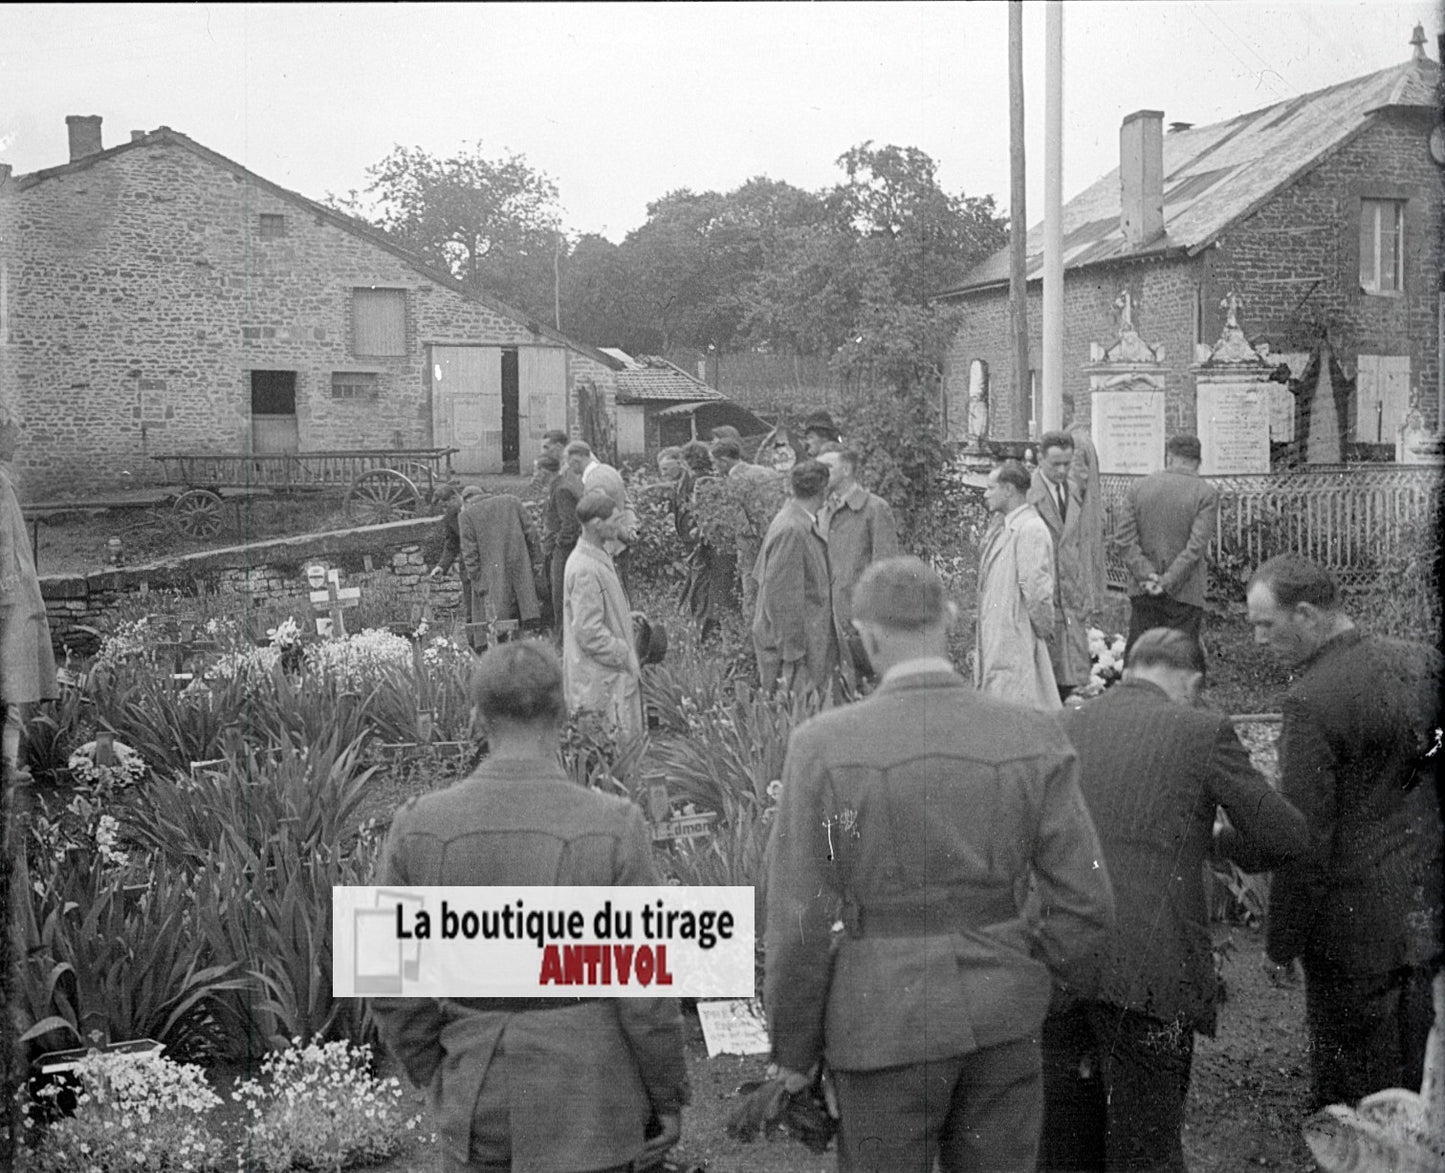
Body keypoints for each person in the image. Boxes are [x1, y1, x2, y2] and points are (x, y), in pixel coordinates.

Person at [765, 556, 1115, 1173]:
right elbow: (1087, 903)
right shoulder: (1032, 733)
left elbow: (800, 923)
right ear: (950, 621)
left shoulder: (822, 746)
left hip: (881, 1018)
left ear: (865, 635)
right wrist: (1031, 982)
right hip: (1002, 1009)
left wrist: (793, 1053)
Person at [369, 641, 688, 1173]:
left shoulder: (415, 826)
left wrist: (441, 1066)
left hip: (478, 1091)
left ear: (476, 719)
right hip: (591, 1102)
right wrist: (667, 1095)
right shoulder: (615, 825)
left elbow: (385, 978)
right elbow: (646, 995)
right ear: (563, 713)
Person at [1039, 628, 1308, 1172]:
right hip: (1152, 977)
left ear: (1131, 667)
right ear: (1191, 681)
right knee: (1146, 1151)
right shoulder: (1201, 730)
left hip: (1059, 966)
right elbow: (1286, 836)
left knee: (1065, 1149)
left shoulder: (1063, 725)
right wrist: (1214, 843)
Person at [1246, 555, 1442, 1110]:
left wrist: (1281, 944)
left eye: (1266, 624)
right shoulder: (1422, 663)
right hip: (1423, 912)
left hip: (1350, 931)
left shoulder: (1311, 699)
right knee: (1418, 1082)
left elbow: (1304, 840)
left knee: (1353, 1099)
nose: (1259, 640)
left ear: (1305, 614)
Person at [1113, 434, 1219, 656]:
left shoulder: (1138, 487)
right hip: (1185, 590)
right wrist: (1167, 580)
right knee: (1180, 660)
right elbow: (1196, 547)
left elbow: (1124, 540)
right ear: (1198, 461)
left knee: (1141, 656)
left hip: (1144, 589)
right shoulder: (1205, 493)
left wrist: (1149, 576)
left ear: (1169, 457)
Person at [1, 405, 58, 781]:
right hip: (10, 592)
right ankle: (8, 765)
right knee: (13, 682)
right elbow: (4, 544)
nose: (19, 442)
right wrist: (6, 596)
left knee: (13, 683)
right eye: (13, 435)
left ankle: (10, 763)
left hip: (17, 588)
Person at [975, 460, 1060, 711]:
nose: (986, 493)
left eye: (991, 488)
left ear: (1009, 490)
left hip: (1017, 634)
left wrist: (1043, 628)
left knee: (1019, 710)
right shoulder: (1005, 526)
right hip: (1003, 635)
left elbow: (1033, 587)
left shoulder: (1030, 529)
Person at [816, 445, 899, 696]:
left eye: (828, 468)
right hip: (826, 622)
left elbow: (885, 570)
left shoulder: (874, 509)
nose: (821, 474)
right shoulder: (822, 509)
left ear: (847, 469)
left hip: (859, 624)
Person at [563, 489, 643, 744]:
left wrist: (623, 617)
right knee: (608, 754)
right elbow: (589, 632)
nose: (620, 525)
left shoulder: (597, 555)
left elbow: (597, 608)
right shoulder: (586, 568)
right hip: (599, 677)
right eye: (616, 520)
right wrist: (622, 652)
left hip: (604, 675)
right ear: (597, 525)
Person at [751, 459, 834, 698]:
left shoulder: (794, 519)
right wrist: (793, 658)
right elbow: (781, 599)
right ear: (824, 490)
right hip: (793, 656)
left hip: (798, 648)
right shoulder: (793, 529)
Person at [1027, 431, 1095, 702]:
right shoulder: (1029, 494)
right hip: (1044, 588)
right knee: (1046, 672)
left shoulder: (1073, 489)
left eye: (1067, 463)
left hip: (1070, 589)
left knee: (1072, 670)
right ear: (1040, 458)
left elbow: (1080, 543)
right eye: (1055, 464)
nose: (1062, 470)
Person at [458, 484, 544, 646]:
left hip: (492, 584)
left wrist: (477, 583)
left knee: (496, 630)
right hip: (521, 576)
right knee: (528, 625)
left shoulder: (466, 516)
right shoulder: (512, 501)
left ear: (466, 501)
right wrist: (535, 563)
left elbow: (469, 555)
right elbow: (532, 534)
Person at [712, 437, 779, 619]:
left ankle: (752, 636)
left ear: (724, 461)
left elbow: (735, 519)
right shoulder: (766, 472)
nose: (715, 468)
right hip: (774, 535)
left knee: (751, 590)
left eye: (715, 463)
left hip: (749, 543)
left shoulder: (734, 480)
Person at [675, 441, 735, 640]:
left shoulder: (701, 482)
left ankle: (704, 633)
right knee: (703, 589)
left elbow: (700, 515)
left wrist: (697, 533)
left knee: (702, 590)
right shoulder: (703, 479)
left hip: (705, 546)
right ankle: (704, 630)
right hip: (705, 544)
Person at [565, 440, 637, 601]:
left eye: (571, 464)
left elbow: (605, 516)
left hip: (609, 544)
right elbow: (626, 502)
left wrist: (624, 535)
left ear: (576, 461)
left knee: (614, 597)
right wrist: (631, 529)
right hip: (620, 543)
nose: (570, 469)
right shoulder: (609, 470)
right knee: (624, 592)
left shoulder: (594, 482)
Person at [544, 452, 585, 646]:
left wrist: (558, 543)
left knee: (560, 595)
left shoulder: (561, 489)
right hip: (568, 548)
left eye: (537, 472)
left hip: (565, 550)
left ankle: (563, 640)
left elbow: (570, 524)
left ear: (544, 471)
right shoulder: (564, 484)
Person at [427, 482, 471, 624]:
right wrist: (441, 566)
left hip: (488, 565)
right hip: (468, 570)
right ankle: (475, 643)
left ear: (455, 498)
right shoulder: (450, 518)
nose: (445, 510)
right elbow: (452, 545)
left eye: (446, 506)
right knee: (471, 608)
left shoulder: (475, 507)